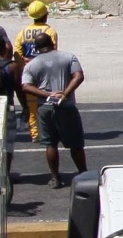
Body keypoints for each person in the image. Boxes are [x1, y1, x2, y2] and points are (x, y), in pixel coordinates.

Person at [21, 35, 86, 187]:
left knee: (51, 144)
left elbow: (26, 86)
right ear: (53, 43)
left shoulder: (32, 64)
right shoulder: (69, 57)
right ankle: (84, 174)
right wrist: (65, 93)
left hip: (45, 107)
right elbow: (79, 76)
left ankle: (55, 178)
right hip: (67, 107)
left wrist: (48, 94)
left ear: (36, 48)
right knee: (76, 144)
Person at [14, 1, 58, 138]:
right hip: (46, 72)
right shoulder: (50, 31)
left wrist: (26, 63)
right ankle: (51, 131)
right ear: (45, 15)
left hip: (29, 72)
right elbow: (53, 51)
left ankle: (35, 134)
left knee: (32, 105)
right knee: (50, 101)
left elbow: (17, 53)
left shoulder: (23, 32)